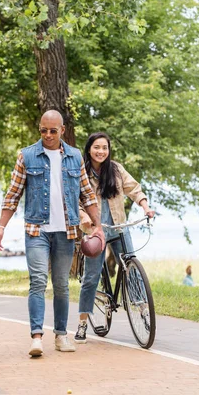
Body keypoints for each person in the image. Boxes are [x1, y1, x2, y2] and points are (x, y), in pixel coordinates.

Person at [0, 110, 103, 357]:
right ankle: (36, 337)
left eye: (54, 130)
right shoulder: (27, 156)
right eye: (44, 130)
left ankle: (61, 335)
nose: (48, 135)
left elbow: (88, 195)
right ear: (39, 129)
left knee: (62, 285)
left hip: (66, 232)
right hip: (36, 230)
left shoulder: (75, 157)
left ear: (62, 130)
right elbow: (12, 195)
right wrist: (1, 227)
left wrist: (98, 226)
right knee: (38, 282)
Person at [74, 132, 155, 344]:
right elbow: (76, 202)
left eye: (105, 148)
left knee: (132, 270)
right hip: (95, 231)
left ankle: (144, 312)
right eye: (96, 147)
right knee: (91, 278)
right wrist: (85, 220)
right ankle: (83, 322)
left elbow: (133, 188)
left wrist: (145, 206)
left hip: (119, 227)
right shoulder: (81, 171)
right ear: (89, 149)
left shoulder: (116, 170)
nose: (101, 151)